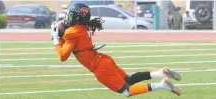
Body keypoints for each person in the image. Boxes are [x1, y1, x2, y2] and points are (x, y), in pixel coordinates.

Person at [50, 3, 181, 97]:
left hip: (100, 68)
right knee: (129, 80)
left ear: (77, 17)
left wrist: (56, 40)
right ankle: (160, 73)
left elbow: (62, 56)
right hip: (104, 60)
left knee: (127, 91)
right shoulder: (82, 28)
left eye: (71, 15)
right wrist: (61, 39)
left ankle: (161, 84)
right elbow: (73, 44)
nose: (68, 18)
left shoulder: (72, 32)